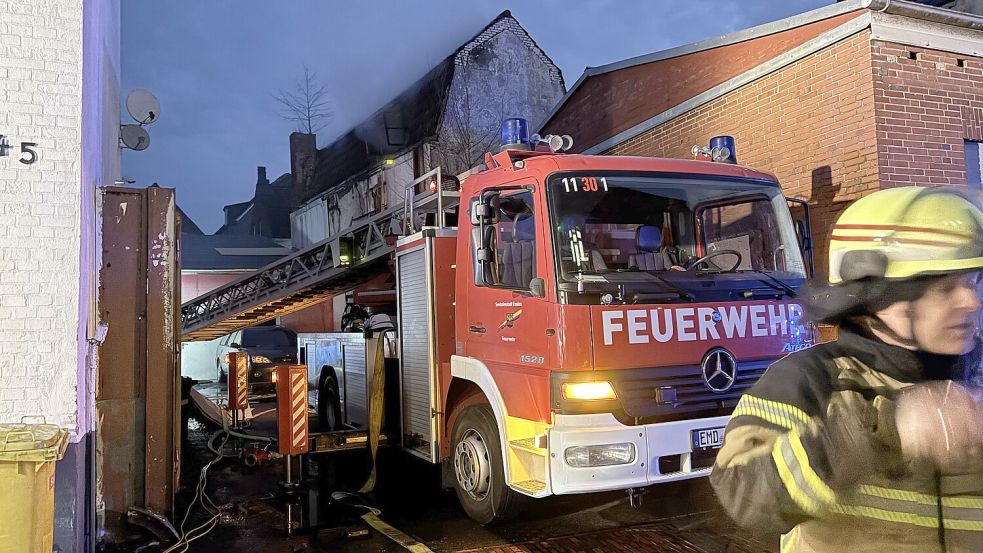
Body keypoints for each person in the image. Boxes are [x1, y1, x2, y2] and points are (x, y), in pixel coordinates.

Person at [710, 186, 983, 553]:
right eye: (943, 289)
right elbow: (745, 494)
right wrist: (881, 430)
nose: (971, 302)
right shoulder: (806, 381)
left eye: (972, 282)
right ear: (875, 299)